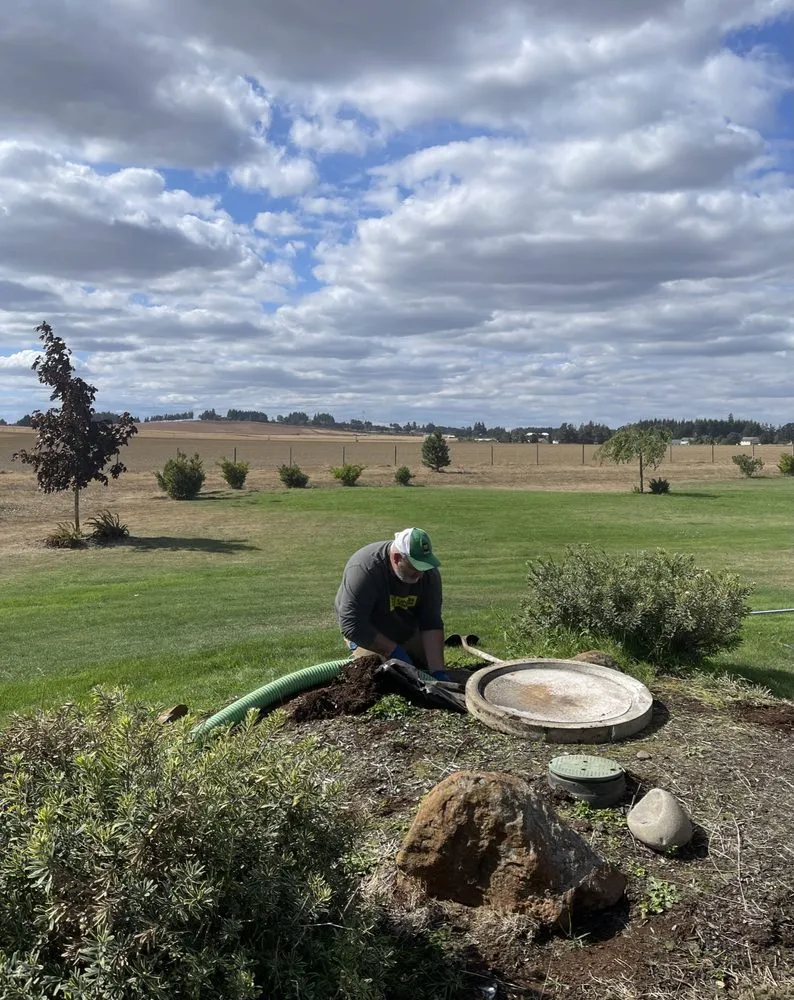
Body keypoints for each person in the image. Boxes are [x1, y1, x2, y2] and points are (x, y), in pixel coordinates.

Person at [334, 527, 448, 678]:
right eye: (415, 567)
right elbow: (352, 625)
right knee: (377, 672)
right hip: (368, 630)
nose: (421, 574)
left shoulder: (429, 574)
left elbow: (431, 623)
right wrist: (394, 652)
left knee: (423, 665)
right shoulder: (365, 569)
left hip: (404, 626)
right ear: (396, 558)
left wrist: (438, 672)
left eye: (424, 567)